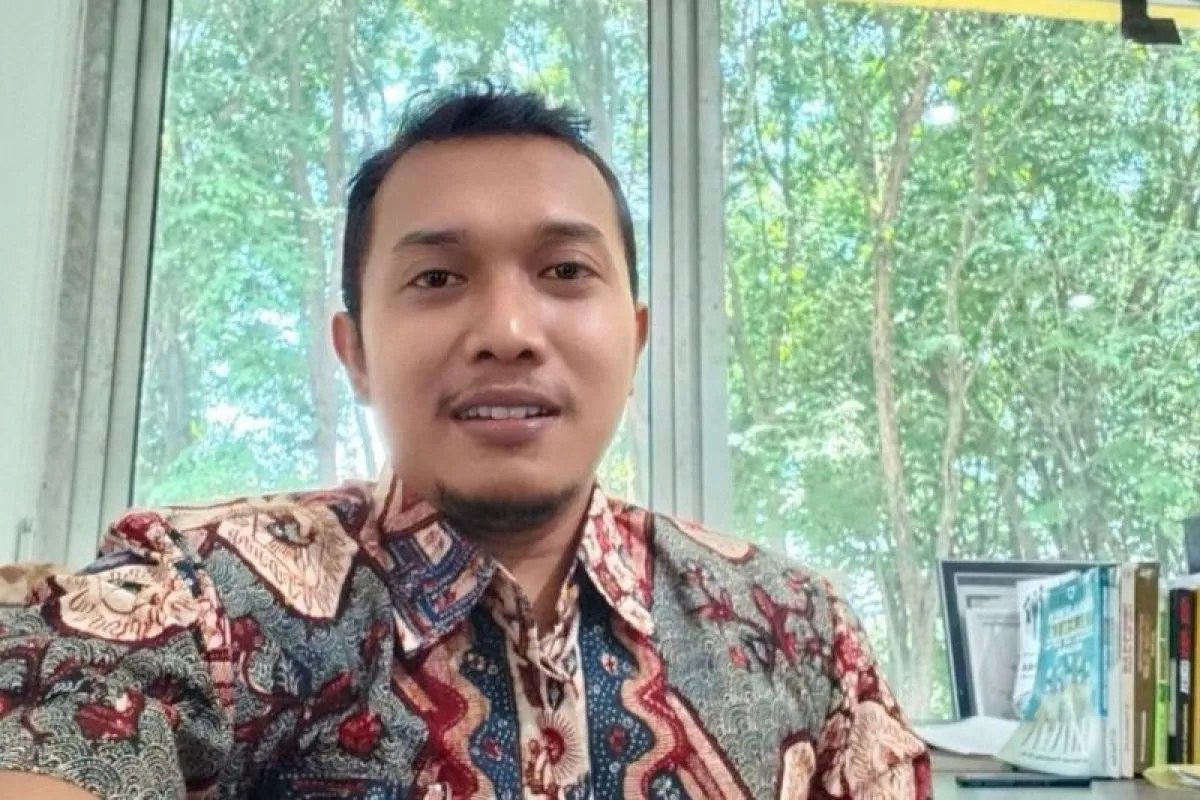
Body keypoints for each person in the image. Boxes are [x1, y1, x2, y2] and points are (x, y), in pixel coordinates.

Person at [0, 83, 930, 799]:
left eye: (565, 270)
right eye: (439, 278)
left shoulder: (800, 632)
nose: (509, 331)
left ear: (636, 339)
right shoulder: (199, 594)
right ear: (356, 353)